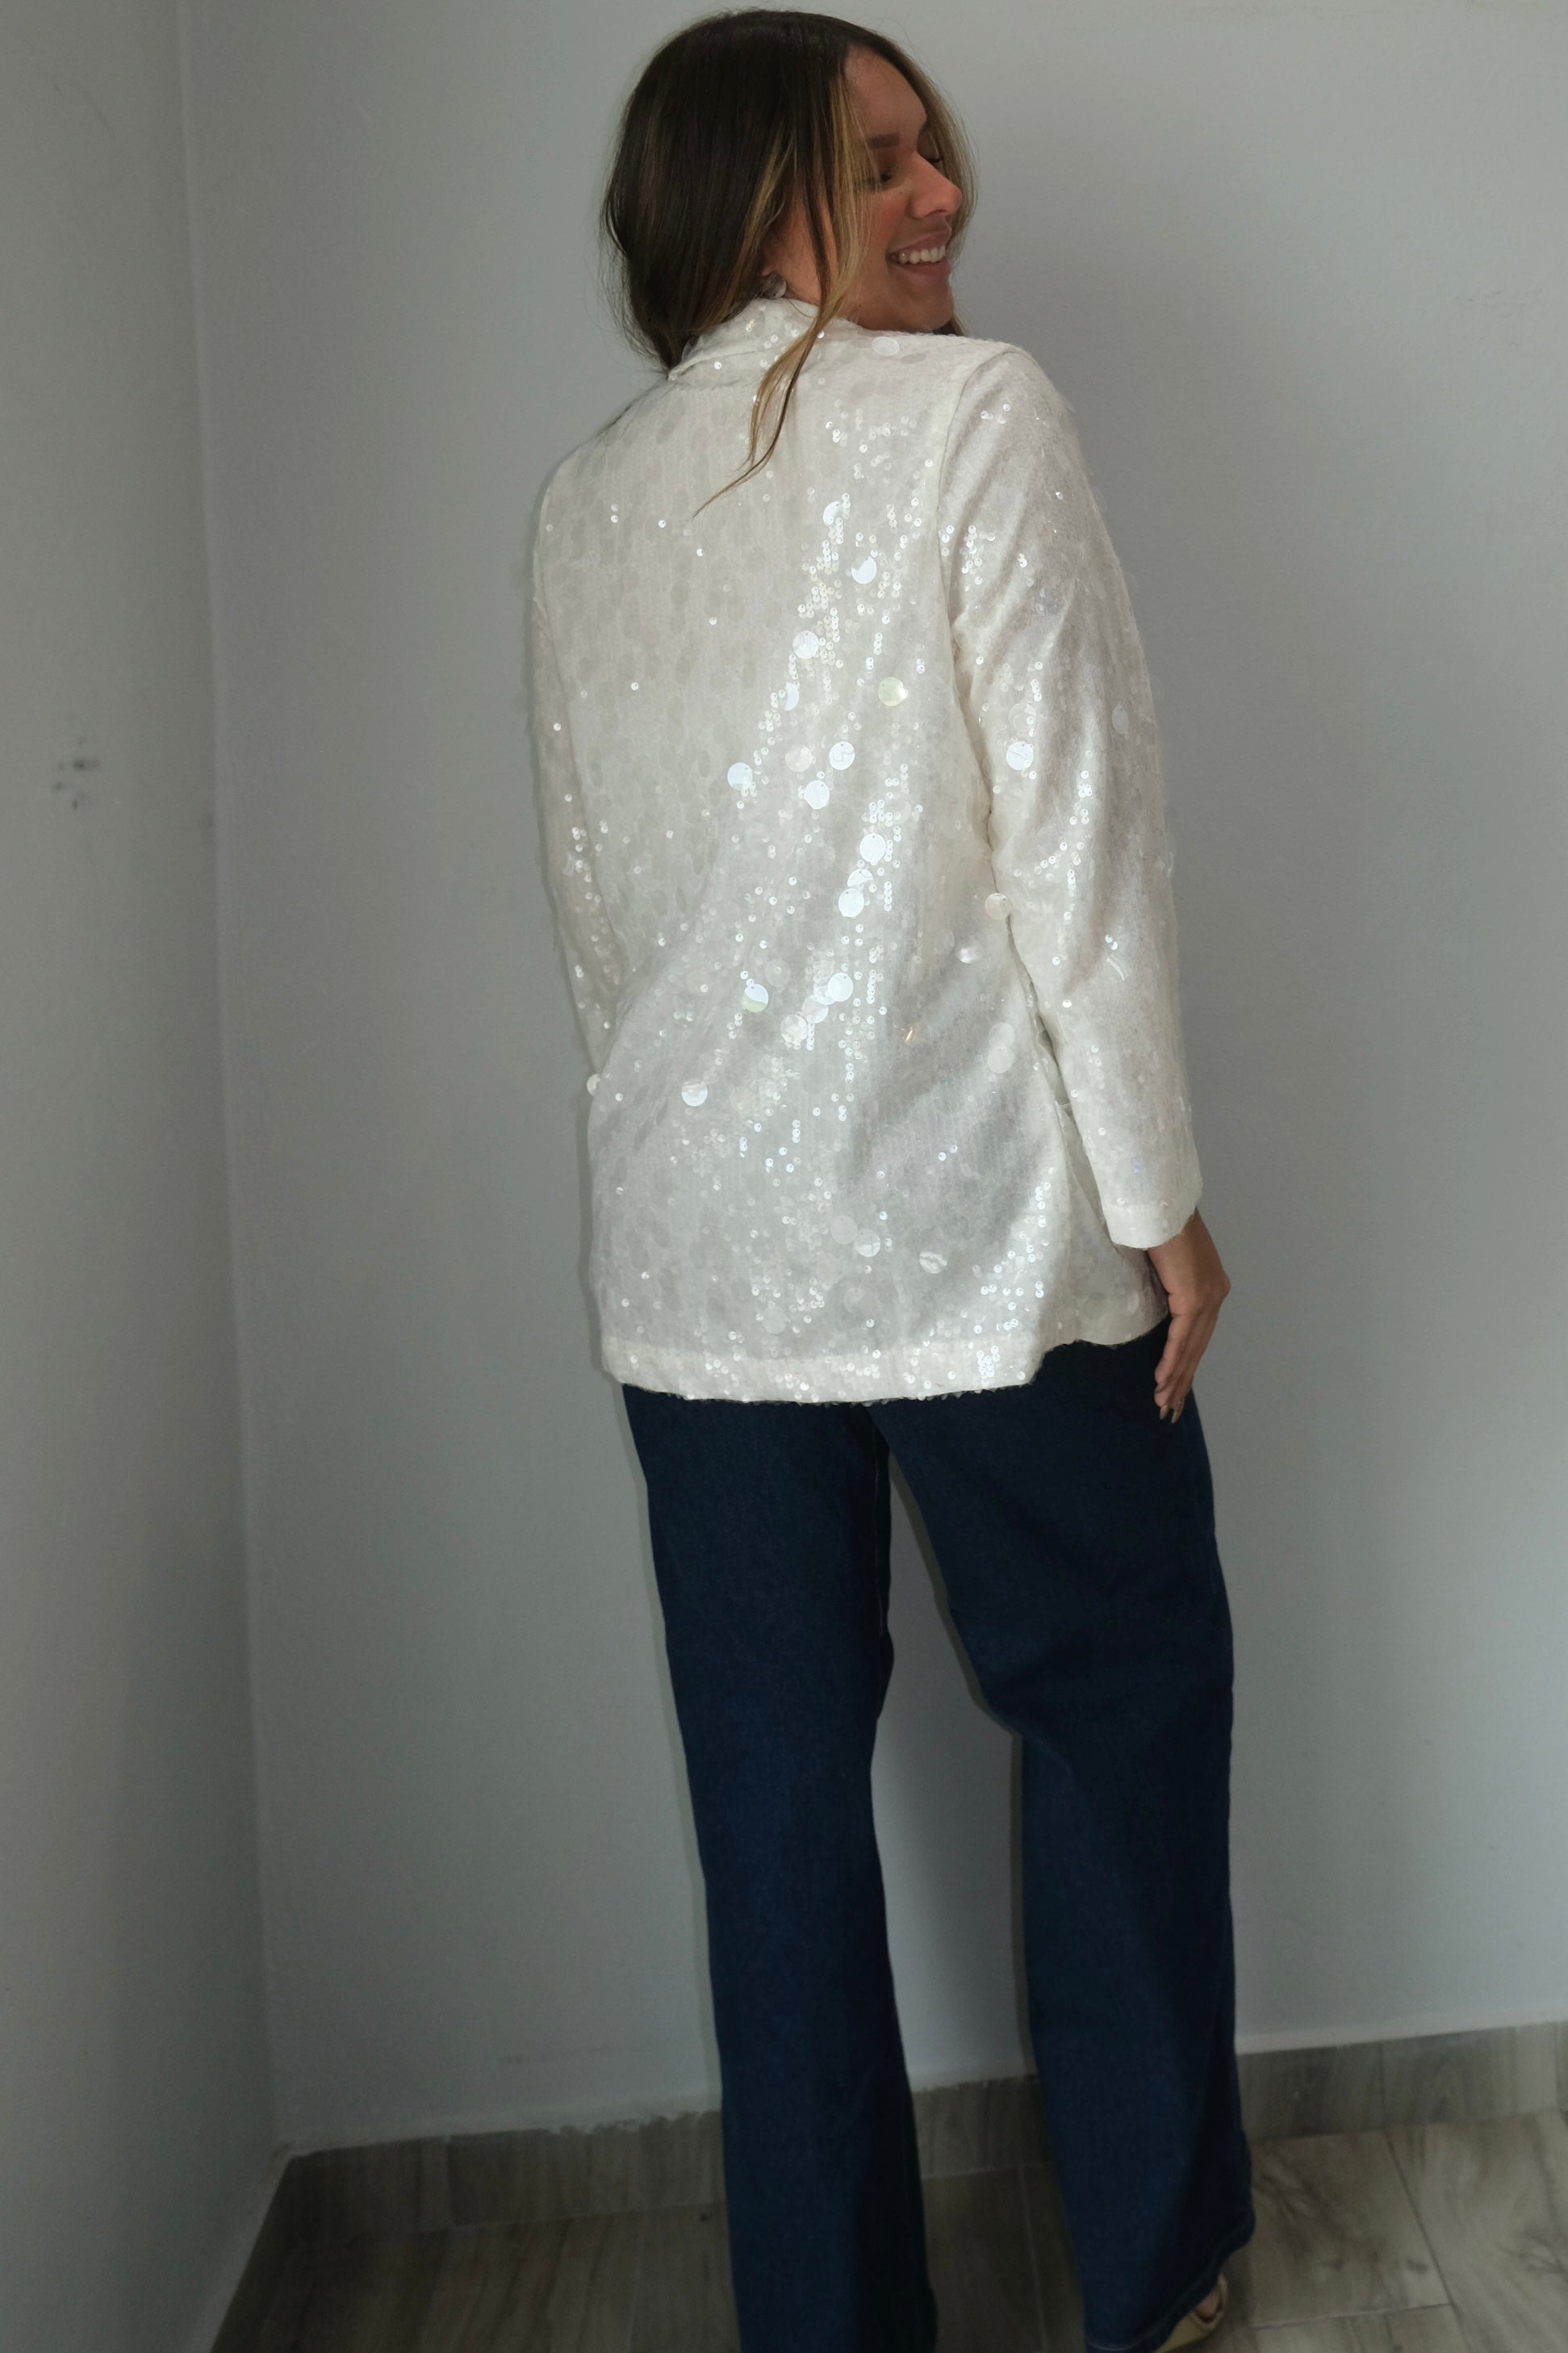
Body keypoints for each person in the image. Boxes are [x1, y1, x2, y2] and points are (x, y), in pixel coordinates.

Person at [525, 13, 1253, 2349]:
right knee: (1123, 1706)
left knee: (769, 1808)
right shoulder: (977, 415)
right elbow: (1079, 847)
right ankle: (1156, 2276)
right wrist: (1162, 1196)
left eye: (935, 152)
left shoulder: (585, 499)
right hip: (977, 1239)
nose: (941, 197)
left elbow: (602, 922)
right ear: (752, 203)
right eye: (879, 162)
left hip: (696, 1269)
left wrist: (692, 1163)